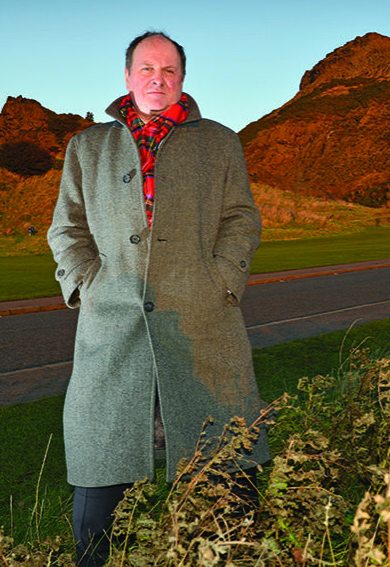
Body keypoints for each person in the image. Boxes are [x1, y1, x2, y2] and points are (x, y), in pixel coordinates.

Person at [47, 31, 269, 566]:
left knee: (230, 493)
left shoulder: (219, 142)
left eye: (169, 71)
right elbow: (66, 229)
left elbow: (242, 218)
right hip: (112, 329)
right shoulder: (88, 146)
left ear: (182, 80)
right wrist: (87, 283)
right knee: (99, 505)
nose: (158, 79)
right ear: (127, 77)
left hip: (203, 326)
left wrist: (223, 281)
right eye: (147, 68)